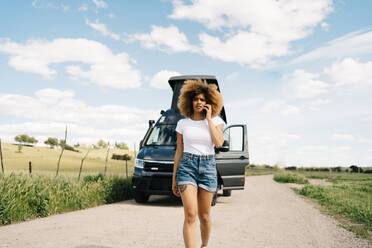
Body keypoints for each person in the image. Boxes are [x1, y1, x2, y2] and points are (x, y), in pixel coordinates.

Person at [172, 79, 225, 248]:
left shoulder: (216, 121)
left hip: (208, 167)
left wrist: (209, 119)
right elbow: (178, 151)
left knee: (204, 216)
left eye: (202, 100)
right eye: (196, 99)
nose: (199, 102)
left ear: (209, 102)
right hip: (186, 167)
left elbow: (218, 143)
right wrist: (174, 178)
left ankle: (204, 245)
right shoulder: (182, 123)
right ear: (190, 101)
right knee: (190, 215)